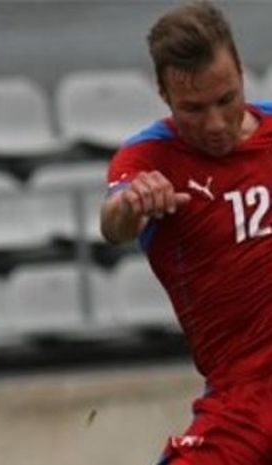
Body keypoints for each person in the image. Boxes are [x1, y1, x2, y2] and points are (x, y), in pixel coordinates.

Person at [101, 1, 272, 464]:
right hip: (246, 401)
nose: (215, 124)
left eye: (226, 99)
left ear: (241, 72)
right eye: (193, 108)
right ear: (163, 93)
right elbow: (113, 223)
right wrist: (133, 203)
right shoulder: (150, 159)